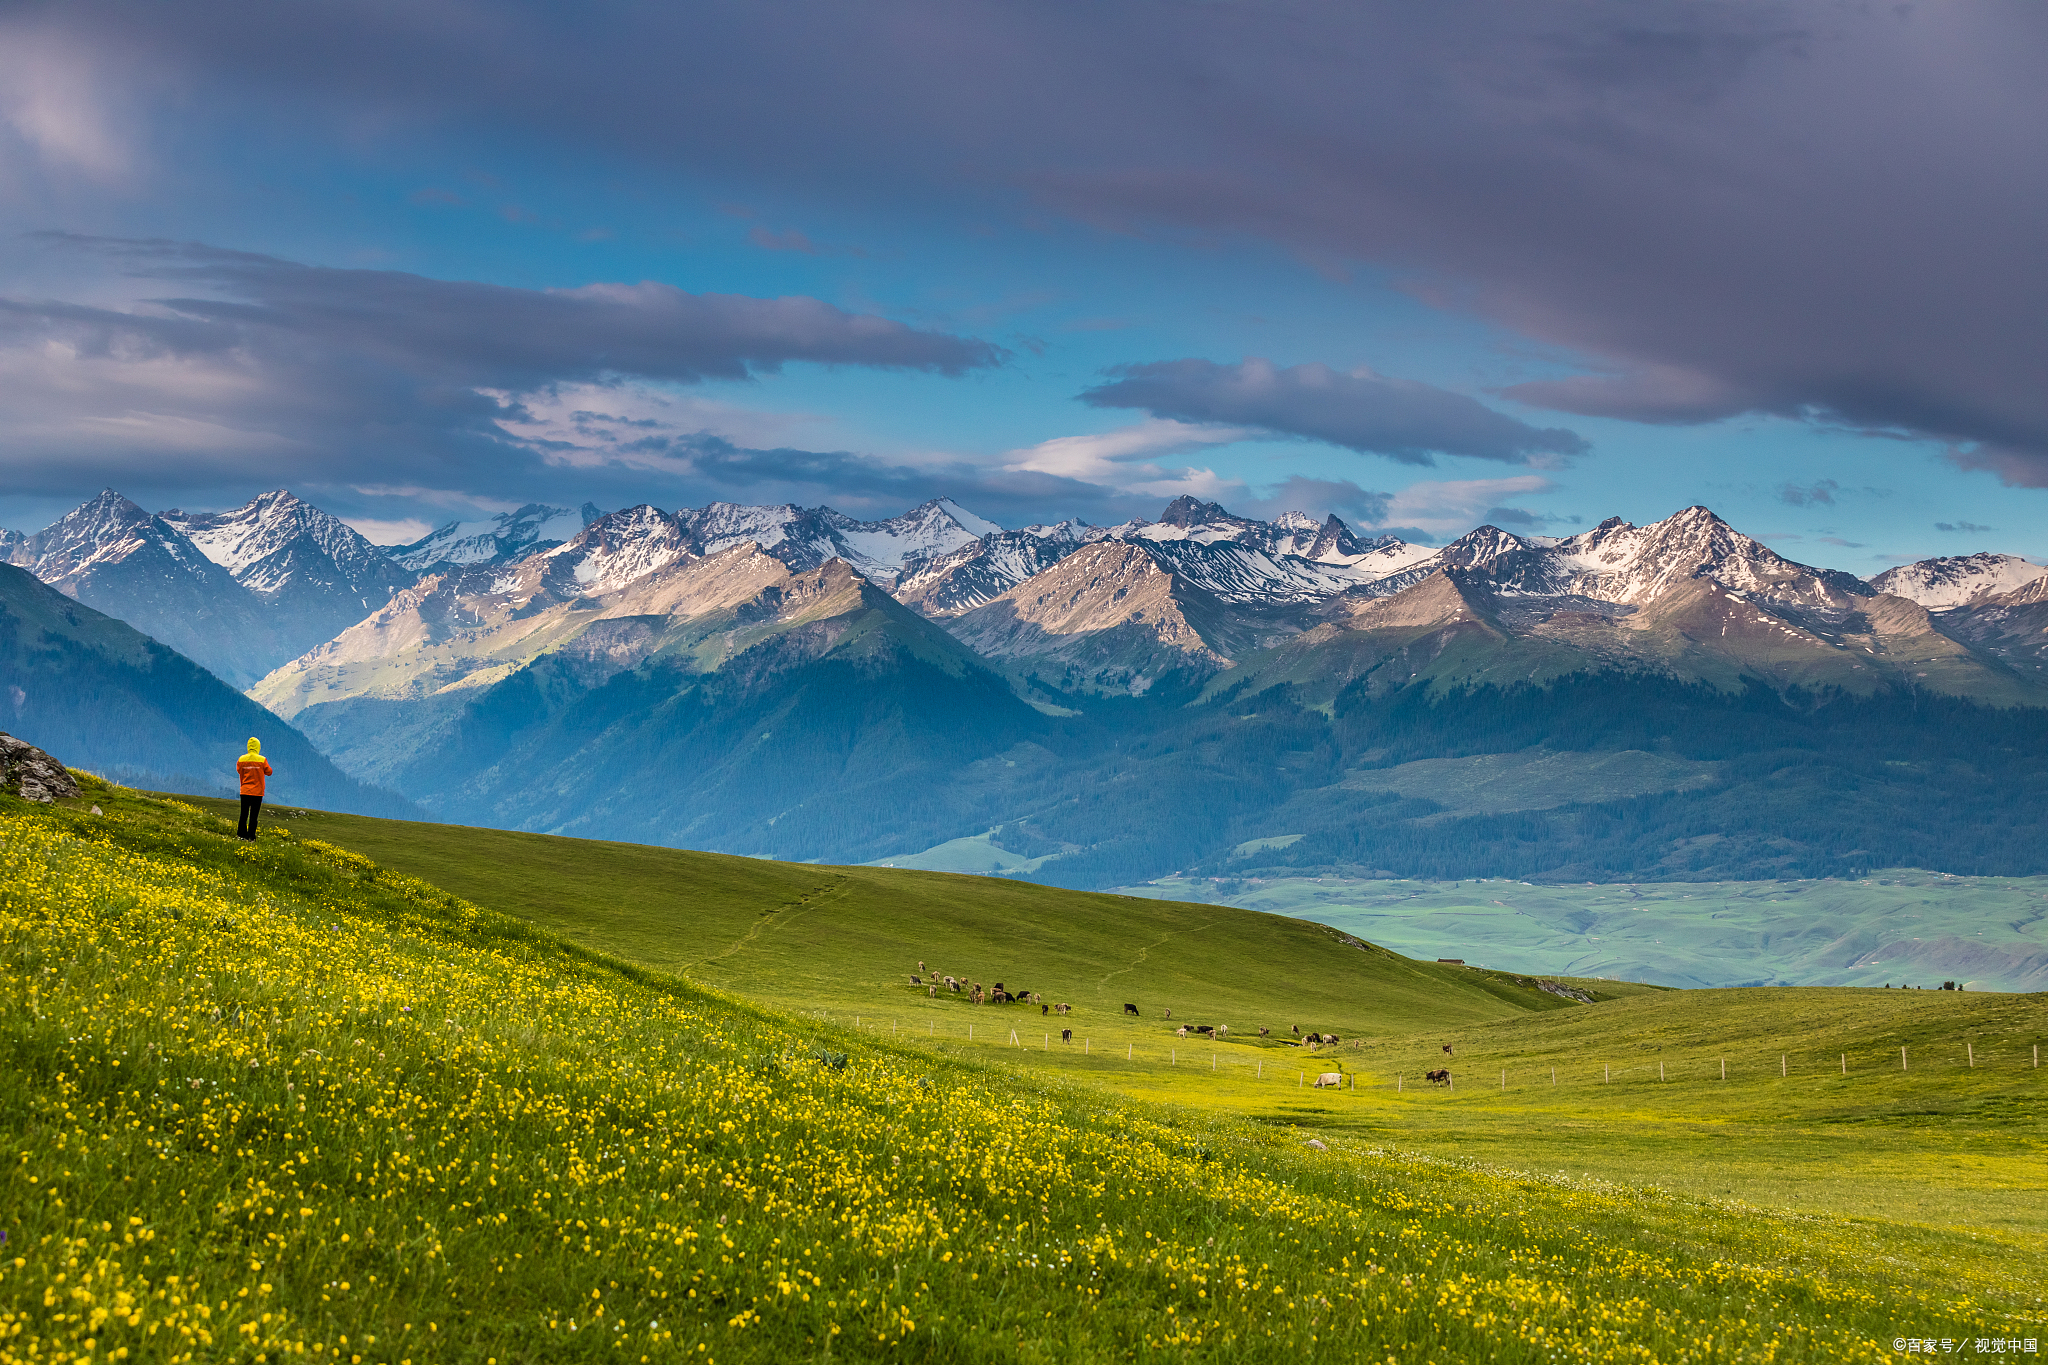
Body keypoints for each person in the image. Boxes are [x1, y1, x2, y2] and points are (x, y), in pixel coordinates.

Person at [235, 738, 272, 840]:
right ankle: (250, 836)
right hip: (257, 792)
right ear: (258, 747)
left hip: (245, 790)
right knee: (253, 815)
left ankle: (240, 834)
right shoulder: (262, 760)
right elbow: (269, 771)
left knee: (243, 814)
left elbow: (238, 770)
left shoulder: (241, 759)